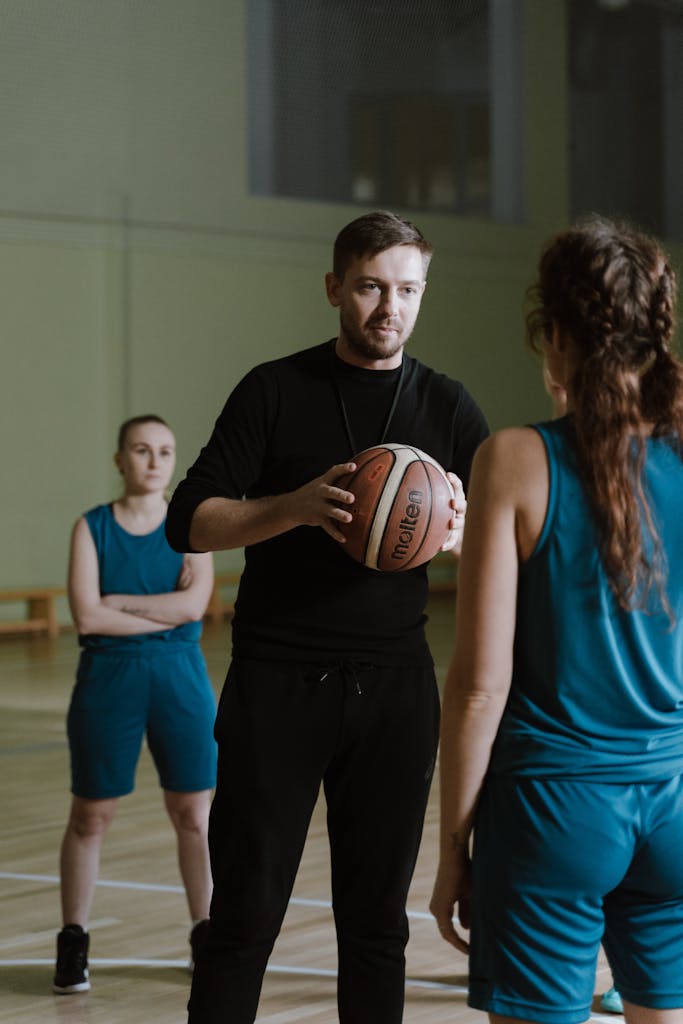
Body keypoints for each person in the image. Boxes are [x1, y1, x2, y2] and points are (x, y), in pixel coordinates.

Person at [165, 210, 489, 1023]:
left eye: (408, 290)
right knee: (242, 921)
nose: (390, 307)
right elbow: (191, 519)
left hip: (392, 687)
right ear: (333, 287)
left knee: (378, 926)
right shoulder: (274, 389)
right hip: (277, 681)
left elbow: (505, 532)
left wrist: (457, 532)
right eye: (372, 286)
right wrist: (296, 507)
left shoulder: (448, 406)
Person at [429, 216, 683, 1024]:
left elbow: (477, 687)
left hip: (551, 810)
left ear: (555, 337)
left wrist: (450, 851)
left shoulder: (511, 459)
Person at [53, 415, 218, 994]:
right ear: (121, 460)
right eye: (142, 450)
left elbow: (194, 608)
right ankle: (73, 938)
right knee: (90, 817)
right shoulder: (91, 527)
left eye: (165, 451)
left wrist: (118, 601)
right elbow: (86, 616)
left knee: (194, 817)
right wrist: (158, 607)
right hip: (108, 681)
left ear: (175, 461)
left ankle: (206, 934)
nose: (154, 460)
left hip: (180, 680)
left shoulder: (191, 527)